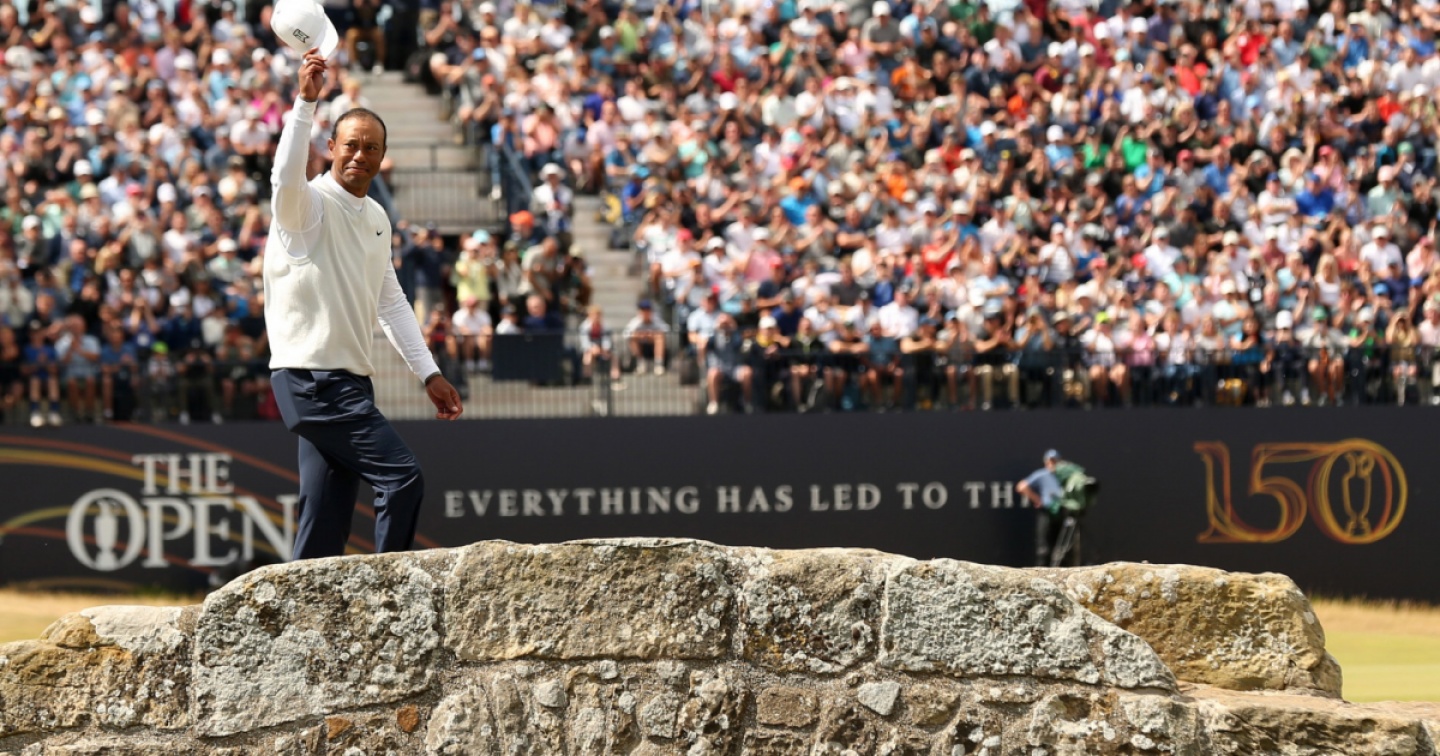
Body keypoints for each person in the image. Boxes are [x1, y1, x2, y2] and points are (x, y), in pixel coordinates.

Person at [265, 46, 463, 561]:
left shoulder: (376, 216)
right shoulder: (306, 205)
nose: (360, 155)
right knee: (402, 478)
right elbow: (284, 179)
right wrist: (304, 104)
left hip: (349, 383)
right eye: (350, 144)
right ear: (330, 147)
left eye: (371, 148)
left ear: (382, 156)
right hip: (312, 380)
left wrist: (428, 372)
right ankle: (392, 593)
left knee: (324, 519)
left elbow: (391, 302)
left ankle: (302, 607)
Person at [1017, 450, 1098, 567]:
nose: (1052, 464)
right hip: (1047, 514)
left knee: (1065, 549)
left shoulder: (1066, 475)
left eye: (1055, 461)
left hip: (1062, 514)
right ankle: (1041, 573)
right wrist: (1037, 500)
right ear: (1045, 462)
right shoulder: (1041, 475)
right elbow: (1021, 486)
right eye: (1049, 461)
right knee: (1044, 549)